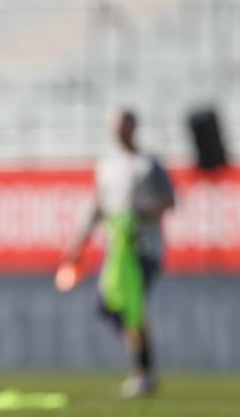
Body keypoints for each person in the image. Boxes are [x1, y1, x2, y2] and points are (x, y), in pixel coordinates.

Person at [61, 109, 174, 398]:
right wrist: (79, 244)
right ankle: (143, 369)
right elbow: (98, 206)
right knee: (111, 304)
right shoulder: (108, 165)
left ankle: (141, 372)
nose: (119, 132)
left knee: (132, 305)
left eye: (124, 127)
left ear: (134, 128)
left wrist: (142, 211)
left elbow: (169, 200)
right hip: (115, 249)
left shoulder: (147, 164)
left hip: (143, 247)